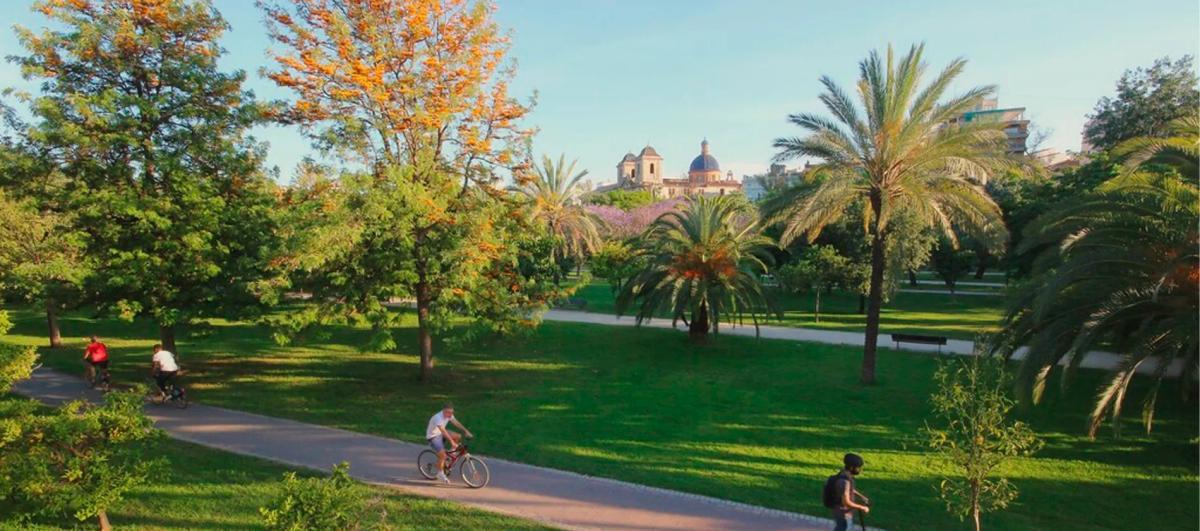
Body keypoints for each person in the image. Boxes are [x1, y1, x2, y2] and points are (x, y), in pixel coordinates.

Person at [426, 403, 473, 483]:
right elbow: (443, 431)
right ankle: (440, 474)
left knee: (458, 436)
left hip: (440, 434)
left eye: (452, 412)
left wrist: (466, 431)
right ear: (443, 411)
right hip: (433, 437)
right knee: (443, 455)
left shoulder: (449, 414)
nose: (451, 414)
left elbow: (456, 423)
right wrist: (451, 442)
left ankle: (451, 456)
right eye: (449, 412)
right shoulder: (438, 417)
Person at [823, 453, 870, 531]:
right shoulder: (845, 481)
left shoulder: (842, 474)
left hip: (839, 511)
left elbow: (848, 490)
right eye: (858, 468)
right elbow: (846, 502)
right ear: (852, 468)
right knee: (844, 528)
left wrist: (861, 496)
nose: (860, 470)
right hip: (843, 513)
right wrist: (862, 507)